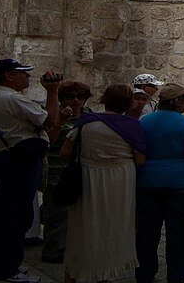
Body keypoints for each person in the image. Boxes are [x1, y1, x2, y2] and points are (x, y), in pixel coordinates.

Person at [62, 83, 146, 283]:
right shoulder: (132, 126)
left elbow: (66, 153)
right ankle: (103, 275)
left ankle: (72, 275)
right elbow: (140, 160)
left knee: (83, 226)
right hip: (119, 181)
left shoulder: (86, 122)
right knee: (112, 227)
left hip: (88, 178)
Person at [0, 57, 62, 283]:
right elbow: (49, 120)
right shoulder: (12, 98)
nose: (28, 76)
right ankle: (7, 270)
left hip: (4, 159)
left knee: (8, 214)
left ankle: (7, 264)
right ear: (9, 76)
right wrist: (53, 92)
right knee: (16, 216)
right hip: (18, 162)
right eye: (23, 72)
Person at [136, 83, 184, 283]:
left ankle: (145, 274)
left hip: (147, 182)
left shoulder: (144, 121)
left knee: (147, 232)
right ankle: (176, 274)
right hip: (179, 184)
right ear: (177, 102)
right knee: (177, 232)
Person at [40, 81, 92, 266]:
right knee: (57, 214)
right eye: (71, 97)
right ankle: (53, 250)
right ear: (62, 99)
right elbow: (47, 142)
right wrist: (60, 122)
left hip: (80, 170)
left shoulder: (89, 116)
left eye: (80, 97)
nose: (76, 101)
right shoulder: (53, 115)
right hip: (57, 170)